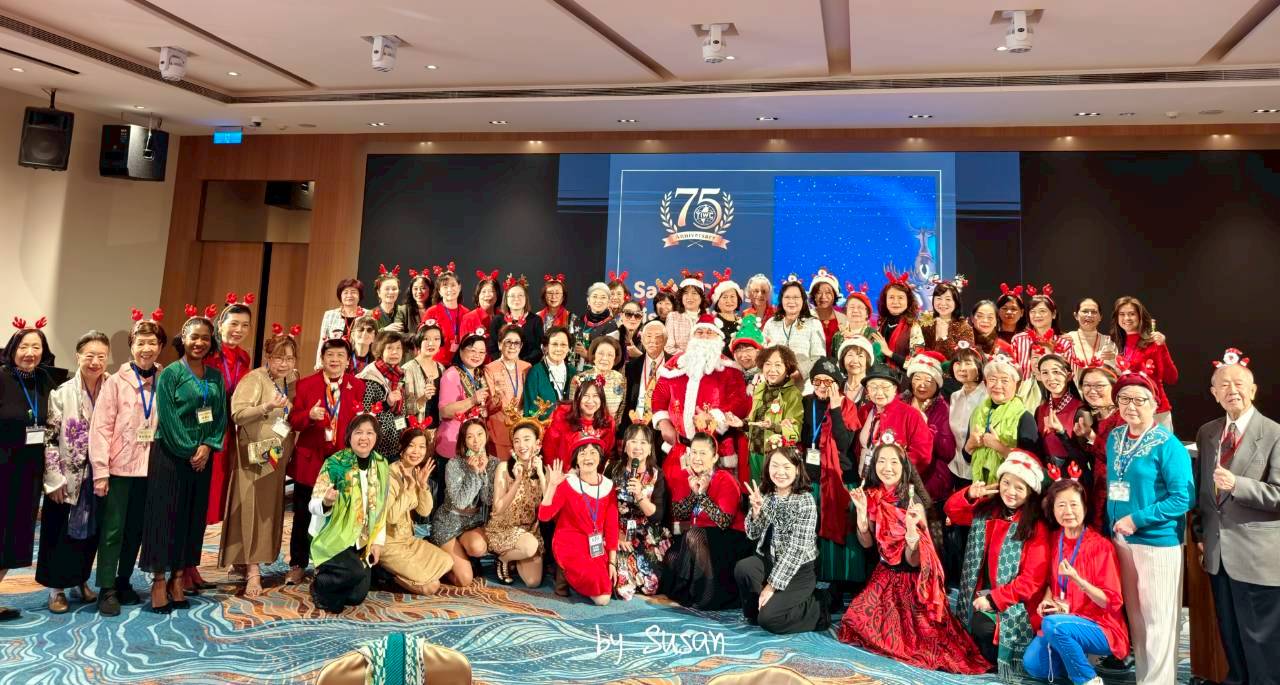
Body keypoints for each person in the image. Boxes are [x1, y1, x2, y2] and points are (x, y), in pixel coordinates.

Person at [838, 433, 990, 674]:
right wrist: (862, 517)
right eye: (881, 461)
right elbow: (866, 545)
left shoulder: (912, 502)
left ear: (904, 466)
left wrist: (912, 534)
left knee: (918, 644)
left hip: (912, 582)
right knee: (853, 623)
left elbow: (913, 561)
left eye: (894, 462)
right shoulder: (872, 496)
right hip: (884, 576)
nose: (887, 468)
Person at [1195, 349, 1280, 685]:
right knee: (1230, 636)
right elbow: (1202, 492)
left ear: (1253, 390)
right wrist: (1200, 534)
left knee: (1262, 644)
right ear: (1214, 393)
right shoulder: (1207, 433)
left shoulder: (1274, 433)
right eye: (1224, 385)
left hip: (1257, 558)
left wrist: (1238, 485)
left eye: (1239, 383)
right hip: (1218, 557)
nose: (1232, 390)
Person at [1107, 364, 1194, 684]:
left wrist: (1137, 519)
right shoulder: (1115, 437)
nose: (1131, 406)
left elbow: (1183, 498)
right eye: (1124, 399)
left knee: (1159, 621)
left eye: (1139, 399)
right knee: (1137, 620)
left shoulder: (1168, 445)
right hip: (1122, 540)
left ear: (1155, 403)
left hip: (1157, 542)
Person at [140, 311, 228, 613]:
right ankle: (159, 581)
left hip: (202, 459)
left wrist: (207, 446)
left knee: (191, 519)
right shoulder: (171, 374)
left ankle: (179, 578)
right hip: (171, 457)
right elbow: (167, 418)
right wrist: (191, 449)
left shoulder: (215, 376)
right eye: (194, 337)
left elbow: (220, 417)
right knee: (165, 517)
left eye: (205, 338)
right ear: (183, 339)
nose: (199, 343)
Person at [947, 450, 1051, 678]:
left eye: (1019, 487)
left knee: (982, 628)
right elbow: (952, 512)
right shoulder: (988, 509)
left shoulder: (1035, 526)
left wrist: (994, 599)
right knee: (966, 625)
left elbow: (1032, 581)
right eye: (1006, 483)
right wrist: (970, 494)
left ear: (1030, 491)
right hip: (980, 592)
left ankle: (996, 655)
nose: (1010, 492)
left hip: (1014, 602)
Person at [90, 311, 165, 616]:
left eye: (152, 343)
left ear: (160, 346)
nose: (146, 349)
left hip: (151, 469)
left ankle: (123, 580)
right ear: (132, 346)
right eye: (140, 343)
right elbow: (100, 428)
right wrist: (100, 472)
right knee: (113, 529)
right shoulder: (115, 382)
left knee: (136, 529)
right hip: (119, 468)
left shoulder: (165, 379)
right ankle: (106, 587)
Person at [1022, 478, 1130, 685]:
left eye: (1074, 504)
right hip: (1064, 620)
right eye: (1061, 505)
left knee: (1053, 625)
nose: (1068, 511)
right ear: (1053, 510)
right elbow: (1048, 580)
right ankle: (1077, 660)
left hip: (1101, 627)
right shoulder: (1054, 539)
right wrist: (1047, 599)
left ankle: (1088, 680)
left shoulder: (1101, 546)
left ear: (1085, 508)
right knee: (1034, 665)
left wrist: (1078, 580)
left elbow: (1111, 602)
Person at [220, 325, 299, 597]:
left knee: (268, 511)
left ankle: (247, 561)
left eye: (289, 358)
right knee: (250, 509)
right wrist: (267, 407)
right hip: (254, 455)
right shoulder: (255, 379)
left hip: (276, 456)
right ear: (268, 357)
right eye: (278, 358)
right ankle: (252, 571)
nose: (284, 363)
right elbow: (238, 414)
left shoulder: (291, 379)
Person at [38, 330, 109, 613]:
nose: (95, 362)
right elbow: (49, 438)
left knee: (92, 532)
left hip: (100, 474)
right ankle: (56, 589)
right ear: (78, 356)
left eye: (101, 356)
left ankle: (80, 579)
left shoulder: (111, 388)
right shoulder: (62, 392)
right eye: (89, 355)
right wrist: (54, 479)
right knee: (60, 532)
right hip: (68, 476)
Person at [288, 338, 366, 585]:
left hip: (341, 462)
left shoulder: (357, 385)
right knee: (303, 515)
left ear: (348, 361)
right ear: (322, 358)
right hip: (310, 459)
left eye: (340, 356)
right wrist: (309, 416)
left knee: (337, 515)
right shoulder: (305, 384)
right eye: (330, 355)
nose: (335, 360)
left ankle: (327, 564)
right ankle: (298, 564)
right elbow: (293, 421)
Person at [650, 315, 750, 485]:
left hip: (716, 449)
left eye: (709, 333)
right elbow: (659, 395)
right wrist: (663, 423)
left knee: (715, 494)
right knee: (676, 493)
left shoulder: (730, 369)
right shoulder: (675, 364)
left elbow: (740, 403)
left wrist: (714, 417)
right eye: (700, 332)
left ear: (718, 338)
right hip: (679, 445)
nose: (704, 336)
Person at [0, 319, 55, 621]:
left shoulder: (45, 381)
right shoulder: (1, 377)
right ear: (12, 349)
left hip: (29, 472)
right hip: (2, 470)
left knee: (14, 538)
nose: (30, 352)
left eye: (36, 346)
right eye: (24, 346)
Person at [736, 447, 825, 633]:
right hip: (770, 561)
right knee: (744, 568)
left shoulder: (805, 501)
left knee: (770, 620)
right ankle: (757, 612)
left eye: (786, 467)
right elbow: (752, 534)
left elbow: (796, 550)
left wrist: (771, 587)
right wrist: (756, 512)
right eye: (775, 466)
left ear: (797, 470)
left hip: (798, 569)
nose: (780, 472)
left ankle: (819, 607)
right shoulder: (766, 494)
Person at [308, 414, 389, 613]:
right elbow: (313, 504)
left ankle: (338, 576)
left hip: (360, 539)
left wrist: (377, 542)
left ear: (376, 437)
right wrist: (326, 502)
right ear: (349, 436)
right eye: (358, 432)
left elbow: (382, 507)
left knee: (356, 597)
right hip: (332, 534)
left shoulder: (381, 465)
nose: (364, 438)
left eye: (369, 433)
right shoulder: (335, 463)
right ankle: (319, 584)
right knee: (352, 576)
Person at [661, 432, 751, 610]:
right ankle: (687, 595)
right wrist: (694, 493)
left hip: (729, 539)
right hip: (700, 538)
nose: (697, 458)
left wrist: (702, 494)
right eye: (694, 452)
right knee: (672, 555)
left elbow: (723, 521)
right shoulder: (690, 477)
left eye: (703, 453)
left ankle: (707, 595)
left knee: (693, 535)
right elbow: (679, 512)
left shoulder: (725, 478)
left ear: (715, 457)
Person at [805, 355, 866, 610]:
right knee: (816, 532)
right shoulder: (806, 403)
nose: (822, 386)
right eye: (817, 381)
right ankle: (817, 583)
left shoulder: (847, 406)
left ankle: (840, 586)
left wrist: (835, 408)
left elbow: (843, 442)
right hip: (813, 478)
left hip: (840, 478)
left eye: (828, 381)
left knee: (840, 531)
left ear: (837, 384)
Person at [538, 435, 620, 604]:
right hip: (569, 543)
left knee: (610, 589)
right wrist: (552, 485)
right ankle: (565, 573)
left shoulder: (608, 486)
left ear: (600, 457)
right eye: (582, 453)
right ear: (576, 460)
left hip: (595, 545)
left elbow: (612, 526)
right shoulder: (568, 483)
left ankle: (570, 578)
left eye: (593, 452)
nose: (588, 457)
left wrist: (612, 562)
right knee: (602, 598)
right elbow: (544, 516)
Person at [378, 426, 451, 595]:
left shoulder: (417, 472)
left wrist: (423, 486)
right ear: (402, 448)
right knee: (431, 586)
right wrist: (410, 489)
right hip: (388, 543)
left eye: (422, 446)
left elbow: (424, 512)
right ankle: (385, 576)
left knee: (447, 561)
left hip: (408, 539)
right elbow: (391, 517)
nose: (417, 451)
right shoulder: (389, 475)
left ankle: (399, 573)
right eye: (411, 446)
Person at [205, 294, 253, 547]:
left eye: (245, 325)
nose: (239, 330)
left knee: (220, 491)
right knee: (202, 493)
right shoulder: (207, 354)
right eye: (234, 323)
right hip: (206, 429)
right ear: (220, 324)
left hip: (230, 430)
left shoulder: (244, 357)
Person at [430, 418, 498, 587]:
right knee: (465, 580)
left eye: (480, 434)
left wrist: (483, 473)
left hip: (473, 523)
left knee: (478, 547)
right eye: (470, 436)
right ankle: (436, 552)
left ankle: (463, 554)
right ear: (464, 440)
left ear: (486, 436)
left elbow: (488, 499)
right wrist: (473, 473)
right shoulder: (454, 464)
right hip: (448, 523)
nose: (476, 441)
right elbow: (461, 502)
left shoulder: (493, 462)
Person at [608, 424, 670, 600]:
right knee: (620, 589)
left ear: (650, 448)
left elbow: (657, 516)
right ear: (625, 446)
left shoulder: (657, 474)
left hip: (646, 533)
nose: (638, 447)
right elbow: (604, 507)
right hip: (618, 531)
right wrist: (616, 534)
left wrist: (640, 496)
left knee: (652, 586)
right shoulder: (613, 469)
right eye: (633, 441)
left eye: (643, 442)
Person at [484, 418, 547, 587]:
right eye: (517, 441)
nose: (521, 445)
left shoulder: (544, 471)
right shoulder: (504, 468)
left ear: (538, 444)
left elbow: (550, 508)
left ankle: (513, 557)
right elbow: (498, 509)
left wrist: (542, 476)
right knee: (530, 547)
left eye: (527, 439)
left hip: (529, 531)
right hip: (504, 528)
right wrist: (517, 481)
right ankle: (503, 558)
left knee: (533, 582)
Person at [965, 353, 1038, 484]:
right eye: (992, 380)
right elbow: (967, 457)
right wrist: (970, 444)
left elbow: (1031, 465)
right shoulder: (977, 412)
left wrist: (999, 447)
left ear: (1016, 384)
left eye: (1004, 381)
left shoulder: (1024, 417)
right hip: (979, 486)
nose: (997, 386)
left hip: (1009, 488)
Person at [1111, 296, 1178, 429]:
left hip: (1155, 410)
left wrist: (1162, 347)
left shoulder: (1153, 341)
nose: (1126, 318)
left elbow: (1172, 377)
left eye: (1131, 314)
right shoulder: (1115, 343)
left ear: (1140, 316)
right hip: (1128, 412)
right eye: (1122, 314)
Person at [855, 362, 930, 481]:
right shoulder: (865, 411)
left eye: (885, 387)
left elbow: (922, 455)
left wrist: (896, 474)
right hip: (864, 479)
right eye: (873, 387)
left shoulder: (911, 414)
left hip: (895, 482)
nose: (879, 392)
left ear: (895, 389)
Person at [740, 346, 802, 483]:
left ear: (787, 368)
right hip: (754, 453)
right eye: (768, 364)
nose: (772, 369)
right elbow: (754, 420)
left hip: (775, 456)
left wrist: (774, 426)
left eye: (778, 365)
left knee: (773, 493)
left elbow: (795, 433)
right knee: (756, 492)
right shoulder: (760, 388)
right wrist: (741, 423)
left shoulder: (793, 394)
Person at [902, 351, 955, 504]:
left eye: (929, 380)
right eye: (917, 378)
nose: (922, 384)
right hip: (901, 477)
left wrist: (925, 427)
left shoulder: (943, 409)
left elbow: (948, 452)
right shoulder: (901, 402)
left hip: (931, 482)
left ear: (937, 385)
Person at [1074, 362, 1123, 526]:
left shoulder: (1123, 417)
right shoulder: (1093, 416)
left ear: (1114, 387)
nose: (1091, 390)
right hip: (1098, 489)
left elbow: (1117, 457)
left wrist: (1091, 436)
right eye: (1086, 385)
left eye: (1099, 385)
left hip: (1119, 491)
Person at [357, 330, 411, 463]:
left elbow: (401, 410)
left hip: (396, 443)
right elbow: (364, 414)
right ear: (380, 351)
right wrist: (387, 403)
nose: (395, 352)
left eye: (398, 348)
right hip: (377, 445)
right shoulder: (369, 377)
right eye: (390, 348)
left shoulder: (399, 374)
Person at [435, 331, 490, 461]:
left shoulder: (479, 374)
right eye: (472, 350)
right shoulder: (452, 374)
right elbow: (445, 412)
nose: (477, 355)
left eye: (481, 352)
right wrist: (472, 400)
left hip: (474, 443)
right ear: (460, 351)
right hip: (454, 442)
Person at [762, 277, 826, 383]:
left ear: (803, 300)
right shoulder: (771, 323)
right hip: (773, 384)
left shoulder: (813, 324)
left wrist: (800, 372)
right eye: (787, 297)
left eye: (796, 297)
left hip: (803, 386)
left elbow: (819, 357)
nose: (791, 301)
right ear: (781, 300)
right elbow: (762, 353)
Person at [1035, 354, 1087, 486]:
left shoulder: (1080, 410)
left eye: (1056, 372)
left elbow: (1084, 458)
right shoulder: (1040, 409)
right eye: (1045, 373)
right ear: (1039, 376)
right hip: (1046, 478)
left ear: (1069, 376)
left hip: (1072, 479)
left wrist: (1061, 432)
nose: (1051, 377)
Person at [543, 378, 615, 469]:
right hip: (561, 472)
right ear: (578, 398)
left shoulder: (607, 422)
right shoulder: (562, 414)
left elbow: (606, 454)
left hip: (591, 473)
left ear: (601, 399)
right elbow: (549, 447)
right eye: (586, 395)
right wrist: (555, 472)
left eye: (595, 396)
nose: (590, 401)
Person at [483, 325, 531, 459]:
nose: (512, 346)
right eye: (508, 342)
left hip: (522, 428)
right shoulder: (490, 369)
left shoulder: (527, 367)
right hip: (499, 428)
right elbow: (488, 405)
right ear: (500, 345)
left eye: (516, 343)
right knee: (502, 468)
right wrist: (497, 397)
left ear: (521, 346)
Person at [948, 343, 988, 486]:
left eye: (968, 363)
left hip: (981, 472)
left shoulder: (988, 398)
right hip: (955, 468)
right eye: (958, 363)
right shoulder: (954, 396)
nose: (962, 368)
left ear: (980, 367)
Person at [621, 320, 667, 434]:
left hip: (664, 427)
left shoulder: (674, 365)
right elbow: (627, 401)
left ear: (666, 340)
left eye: (658, 336)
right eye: (649, 336)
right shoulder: (631, 366)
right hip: (636, 423)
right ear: (642, 339)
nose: (653, 340)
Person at [570, 336, 627, 426]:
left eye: (610, 355)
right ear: (594, 356)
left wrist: (614, 427)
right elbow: (573, 409)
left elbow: (622, 408)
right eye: (601, 353)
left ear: (615, 358)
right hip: (584, 430)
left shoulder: (620, 379)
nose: (605, 358)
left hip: (611, 430)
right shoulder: (580, 378)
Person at [487, 276, 543, 365]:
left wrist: (520, 363)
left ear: (526, 298)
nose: (516, 299)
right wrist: (506, 362)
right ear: (506, 299)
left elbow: (538, 350)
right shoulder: (497, 320)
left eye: (520, 295)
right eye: (512, 296)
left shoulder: (536, 320)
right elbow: (492, 348)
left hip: (527, 367)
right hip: (502, 366)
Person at [873, 272, 924, 371]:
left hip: (903, 377)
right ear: (885, 301)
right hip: (879, 376)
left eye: (900, 297)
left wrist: (889, 353)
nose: (895, 302)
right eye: (891, 297)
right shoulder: (881, 324)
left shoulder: (913, 327)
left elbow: (917, 362)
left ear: (908, 301)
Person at [423, 263, 471, 366]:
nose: (450, 289)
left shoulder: (467, 313)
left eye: (453, 285)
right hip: (436, 364)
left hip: (460, 364)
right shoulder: (431, 312)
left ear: (459, 287)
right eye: (445, 286)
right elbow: (422, 340)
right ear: (439, 291)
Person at [1054, 298, 1117, 374]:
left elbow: (1115, 373)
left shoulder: (1109, 342)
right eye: (1085, 311)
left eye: (1094, 312)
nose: (1089, 315)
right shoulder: (1066, 340)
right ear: (1076, 316)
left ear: (1100, 317)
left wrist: (1115, 360)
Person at [522, 326, 571, 421]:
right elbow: (530, 409)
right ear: (545, 347)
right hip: (543, 427)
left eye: (563, 345)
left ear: (569, 348)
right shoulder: (535, 372)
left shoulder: (573, 372)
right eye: (554, 344)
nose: (559, 349)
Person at [315, 278, 365, 369]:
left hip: (359, 363)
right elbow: (322, 340)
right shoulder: (330, 315)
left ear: (359, 295)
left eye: (353, 292)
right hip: (335, 361)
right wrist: (319, 364)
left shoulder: (367, 315)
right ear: (340, 295)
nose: (349, 295)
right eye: (345, 292)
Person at [1011, 286, 1059, 380]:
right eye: (1032, 311)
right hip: (1025, 388)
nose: (1037, 315)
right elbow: (1012, 372)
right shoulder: (1018, 340)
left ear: (1053, 314)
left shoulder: (1064, 342)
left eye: (1042, 311)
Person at [402, 322, 445, 427]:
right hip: (418, 429)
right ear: (418, 340)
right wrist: (424, 398)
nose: (431, 343)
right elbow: (406, 409)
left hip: (439, 428)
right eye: (426, 339)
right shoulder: (408, 369)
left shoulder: (441, 368)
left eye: (436, 339)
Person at [921, 278, 975, 359]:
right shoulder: (926, 323)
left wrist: (944, 337)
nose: (943, 303)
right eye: (939, 298)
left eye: (948, 299)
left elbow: (963, 357)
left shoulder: (964, 328)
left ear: (955, 302)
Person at [830, 283, 882, 364]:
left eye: (860, 307)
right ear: (846, 312)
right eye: (852, 307)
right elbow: (834, 361)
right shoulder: (838, 336)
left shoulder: (874, 335)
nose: (855, 310)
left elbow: (878, 361)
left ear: (867, 313)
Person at [576, 282, 620, 371]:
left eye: (603, 297)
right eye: (595, 296)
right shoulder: (579, 320)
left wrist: (587, 355)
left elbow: (610, 358)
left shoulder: (612, 326)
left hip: (598, 374)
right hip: (575, 370)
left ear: (608, 302)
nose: (598, 300)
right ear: (588, 300)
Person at [664, 271, 707, 356]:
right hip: (679, 362)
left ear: (701, 298)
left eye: (694, 293)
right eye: (686, 293)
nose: (689, 297)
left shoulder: (708, 319)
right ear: (681, 297)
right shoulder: (673, 317)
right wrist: (689, 357)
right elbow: (668, 347)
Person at [460, 271, 501, 355]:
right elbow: (464, 348)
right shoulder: (468, 318)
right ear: (478, 296)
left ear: (497, 295)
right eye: (483, 291)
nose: (487, 295)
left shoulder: (503, 317)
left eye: (492, 291)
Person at [807, 269, 846, 355]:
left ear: (835, 295)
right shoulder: (805, 318)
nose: (823, 296)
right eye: (818, 293)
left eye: (828, 292)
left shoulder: (844, 319)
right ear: (813, 296)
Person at [710, 272, 743, 356]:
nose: (729, 301)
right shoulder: (713, 323)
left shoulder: (742, 321)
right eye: (725, 297)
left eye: (732, 296)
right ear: (717, 301)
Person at [836, 336, 874, 406]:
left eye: (860, 356)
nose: (855, 361)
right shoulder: (837, 388)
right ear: (843, 359)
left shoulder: (873, 389)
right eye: (850, 355)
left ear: (868, 361)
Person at [393, 268, 433, 334]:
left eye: (423, 288)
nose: (419, 291)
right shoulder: (403, 310)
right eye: (415, 288)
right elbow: (397, 334)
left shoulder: (436, 309)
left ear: (430, 290)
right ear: (411, 291)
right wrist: (415, 338)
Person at [615, 299, 645, 365]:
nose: (633, 318)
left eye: (637, 315)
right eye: (628, 314)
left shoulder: (647, 338)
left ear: (641, 317)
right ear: (621, 315)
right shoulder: (613, 336)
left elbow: (654, 365)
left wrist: (639, 355)